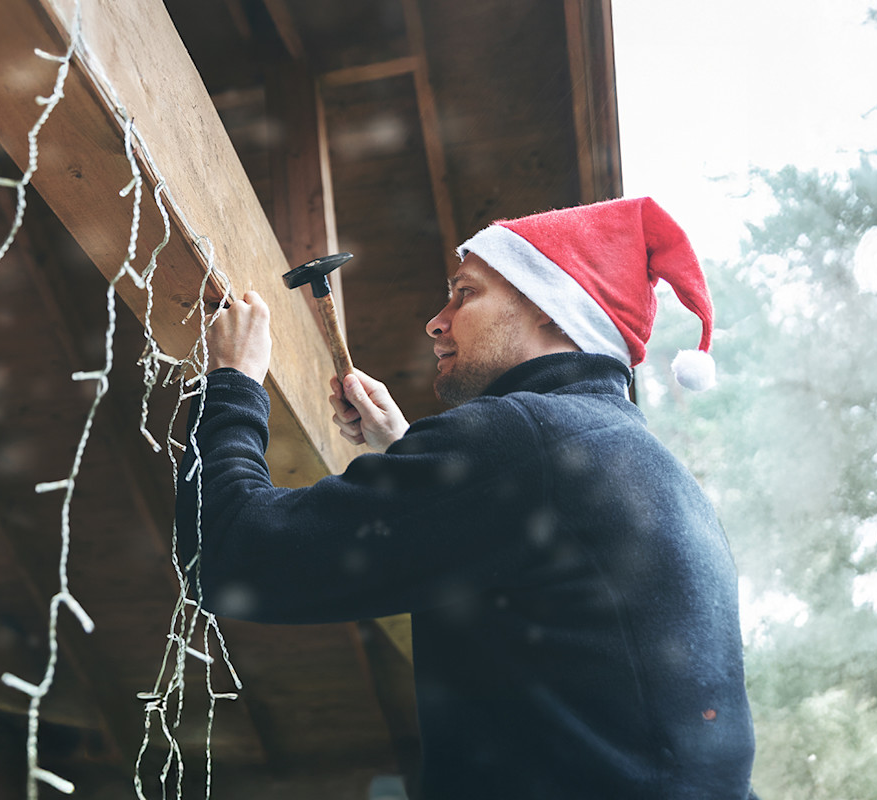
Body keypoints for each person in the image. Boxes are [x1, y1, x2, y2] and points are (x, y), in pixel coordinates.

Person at [176, 197, 756, 799]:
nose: (437, 320)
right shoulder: (633, 459)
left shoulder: (522, 443)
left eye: (466, 294)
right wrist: (408, 455)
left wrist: (233, 383)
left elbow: (228, 554)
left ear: (554, 314)